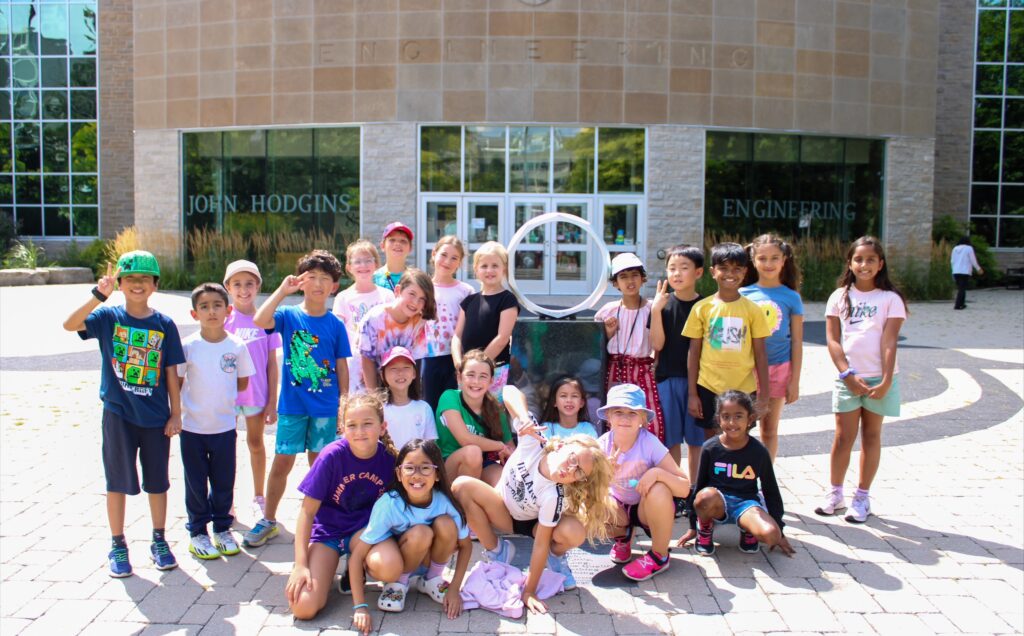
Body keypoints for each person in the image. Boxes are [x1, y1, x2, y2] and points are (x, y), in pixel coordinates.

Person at [62, 251, 185, 577]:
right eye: (130, 279)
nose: (137, 284)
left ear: (155, 285)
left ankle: (159, 540)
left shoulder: (164, 324)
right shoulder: (108, 318)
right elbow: (70, 324)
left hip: (157, 418)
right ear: (119, 284)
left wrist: (176, 413)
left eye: (145, 279)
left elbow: (172, 371)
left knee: (158, 482)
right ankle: (117, 543)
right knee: (117, 481)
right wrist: (97, 296)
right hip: (118, 415)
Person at [453, 385, 614, 614]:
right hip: (503, 505)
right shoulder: (534, 441)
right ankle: (498, 550)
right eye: (573, 459)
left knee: (574, 531)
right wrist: (521, 416)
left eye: (579, 472)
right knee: (461, 486)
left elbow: (538, 545)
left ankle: (556, 557)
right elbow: (508, 390)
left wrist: (529, 591)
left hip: (533, 523)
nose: (571, 469)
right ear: (562, 446)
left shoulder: (554, 495)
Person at [247, 250, 352, 547]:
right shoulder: (289, 316)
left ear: (334, 286)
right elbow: (259, 319)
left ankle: (321, 520)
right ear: (302, 281)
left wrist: (344, 403)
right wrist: (282, 290)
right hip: (293, 408)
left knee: (319, 465)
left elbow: (342, 365)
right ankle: (268, 518)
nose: (318, 284)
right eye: (312, 277)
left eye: (325, 279)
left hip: (326, 409)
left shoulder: (335, 324)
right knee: (282, 462)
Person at [817, 236, 907, 523]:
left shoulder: (890, 299)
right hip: (847, 379)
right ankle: (835, 494)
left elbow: (890, 341)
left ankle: (862, 497)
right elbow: (832, 340)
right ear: (850, 263)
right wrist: (847, 374)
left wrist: (886, 381)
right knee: (843, 437)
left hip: (879, 379)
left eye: (870, 259)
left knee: (871, 436)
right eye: (858, 259)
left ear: (880, 264)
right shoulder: (839, 296)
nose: (864, 264)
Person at [285, 392, 397, 621]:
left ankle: (357, 566)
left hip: (364, 532)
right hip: (329, 532)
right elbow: (307, 513)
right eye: (352, 425)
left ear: (382, 427)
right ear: (341, 428)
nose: (360, 431)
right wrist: (300, 565)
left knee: (390, 568)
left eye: (368, 424)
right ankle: (328, 568)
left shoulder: (389, 459)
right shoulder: (331, 457)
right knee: (304, 608)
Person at [348, 440, 473, 633]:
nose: (416, 475)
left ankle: (432, 579)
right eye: (409, 468)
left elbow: (466, 546)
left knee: (446, 525)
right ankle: (398, 584)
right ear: (399, 473)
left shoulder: (445, 502)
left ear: (437, 474)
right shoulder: (389, 504)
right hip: (396, 558)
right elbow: (357, 555)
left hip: (426, 557)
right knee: (421, 533)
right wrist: (360, 607)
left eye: (425, 468)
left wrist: (455, 588)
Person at [176, 283, 256, 559]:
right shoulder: (187, 347)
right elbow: (176, 382)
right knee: (195, 482)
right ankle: (198, 532)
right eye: (204, 306)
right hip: (192, 429)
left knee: (223, 481)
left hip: (224, 428)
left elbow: (243, 381)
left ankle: (222, 527)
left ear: (228, 310)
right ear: (194, 313)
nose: (211, 311)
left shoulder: (236, 346)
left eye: (217, 305)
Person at [676, 391, 795, 557]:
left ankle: (747, 530)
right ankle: (705, 528)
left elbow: (771, 490)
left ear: (750, 419)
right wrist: (691, 525)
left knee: (771, 535)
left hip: (745, 503)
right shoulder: (710, 448)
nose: (732, 422)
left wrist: (780, 531)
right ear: (718, 419)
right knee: (705, 496)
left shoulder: (759, 451)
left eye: (739, 416)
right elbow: (699, 485)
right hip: (717, 502)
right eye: (726, 416)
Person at [600, 384, 690, 581]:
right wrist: (601, 473)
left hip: (645, 509)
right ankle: (622, 537)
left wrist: (657, 473)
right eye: (618, 412)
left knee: (659, 489)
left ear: (642, 419)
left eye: (632, 412)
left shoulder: (649, 443)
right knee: (592, 505)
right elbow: (585, 487)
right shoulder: (602, 444)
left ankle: (659, 555)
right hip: (618, 508)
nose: (624, 418)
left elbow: (684, 488)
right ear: (608, 417)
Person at [683, 242, 771, 435]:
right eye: (723, 268)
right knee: (711, 441)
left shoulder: (753, 310)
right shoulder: (701, 308)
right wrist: (692, 393)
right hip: (708, 386)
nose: (730, 274)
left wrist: (764, 396)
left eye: (736, 269)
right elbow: (694, 352)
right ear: (713, 272)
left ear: (745, 272)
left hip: (743, 388)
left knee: (739, 440)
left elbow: (761, 354)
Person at [223, 260, 282, 518]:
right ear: (228, 287)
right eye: (237, 284)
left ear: (258, 286)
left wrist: (272, 401)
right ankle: (226, 500)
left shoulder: (265, 320)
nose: (243, 289)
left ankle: (259, 497)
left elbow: (272, 364)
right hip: (226, 397)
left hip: (256, 396)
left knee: (256, 443)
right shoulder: (224, 319)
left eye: (249, 284)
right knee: (226, 447)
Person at [739, 234, 804, 461]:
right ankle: (741, 479)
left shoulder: (792, 297)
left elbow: (796, 341)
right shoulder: (742, 295)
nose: (768, 264)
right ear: (753, 260)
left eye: (774, 258)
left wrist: (794, 380)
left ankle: (765, 482)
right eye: (762, 258)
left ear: (784, 259)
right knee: (740, 429)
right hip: (746, 370)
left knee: (769, 430)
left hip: (779, 369)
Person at [649, 244, 704, 507]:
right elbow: (657, 345)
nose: (677, 274)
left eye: (684, 268)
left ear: (699, 272)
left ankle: (695, 489)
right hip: (667, 379)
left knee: (696, 440)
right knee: (671, 439)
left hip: (699, 382)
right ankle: (676, 489)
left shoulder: (706, 306)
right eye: (672, 268)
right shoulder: (664, 305)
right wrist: (656, 310)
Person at [594, 253, 664, 442]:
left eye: (634, 275)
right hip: (614, 371)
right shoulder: (607, 310)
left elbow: (658, 343)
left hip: (642, 370)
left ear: (643, 278)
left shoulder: (652, 308)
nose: (629, 281)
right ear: (615, 283)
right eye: (623, 277)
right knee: (614, 418)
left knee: (647, 418)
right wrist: (608, 333)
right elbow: (596, 347)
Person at [435, 350, 514, 485]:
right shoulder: (449, 397)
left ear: (491, 381)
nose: (476, 381)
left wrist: (508, 453)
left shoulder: (495, 408)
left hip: (484, 463)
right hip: (449, 464)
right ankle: (459, 503)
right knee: (473, 452)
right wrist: (499, 446)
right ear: (459, 377)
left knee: (505, 483)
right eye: (470, 375)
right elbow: (465, 440)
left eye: (483, 376)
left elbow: (510, 447)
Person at [452, 242, 520, 397]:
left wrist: (481, 366)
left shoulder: (507, 300)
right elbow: (457, 335)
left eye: (495, 265)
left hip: (494, 369)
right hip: (467, 371)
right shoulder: (469, 301)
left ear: (504, 269)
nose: (489, 270)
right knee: (468, 412)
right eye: (484, 266)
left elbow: (502, 338)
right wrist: (459, 364)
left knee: (492, 413)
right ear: (476, 270)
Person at [333, 239, 394, 394]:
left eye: (368, 260)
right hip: (353, 363)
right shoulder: (343, 297)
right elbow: (337, 334)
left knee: (381, 402)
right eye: (357, 261)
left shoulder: (387, 295)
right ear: (349, 267)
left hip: (382, 358)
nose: (363, 265)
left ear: (376, 264)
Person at [359, 268, 436, 390]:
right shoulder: (375, 317)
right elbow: (367, 360)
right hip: (368, 387)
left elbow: (416, 363)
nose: (415, 302)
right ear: (398, 290)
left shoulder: (420, 324)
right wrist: (374, 397)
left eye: (422, 299)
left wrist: (414, 398)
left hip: (400, 390)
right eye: (412, 294)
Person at [422, 236, 474, 411]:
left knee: (452, 407)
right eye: (443, 255)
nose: (447, 261)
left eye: (454, 258)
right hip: (427, 357)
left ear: (459, 263)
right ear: (434, 254)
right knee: (430, 404)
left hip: (455, 358)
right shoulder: (423, 286)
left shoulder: (466, 291)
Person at [380, 346, 438, 451]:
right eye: (393, 368)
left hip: (416, 466)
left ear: (414, 373)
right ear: (383, 375)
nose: (400, 373)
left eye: (406, 368)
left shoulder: (424, 408)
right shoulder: (379, 410)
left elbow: (431, 447)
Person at [374, 222, 414, 292]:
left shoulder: (416, 278)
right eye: (392, 240)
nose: (397, 244)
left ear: (410, 248)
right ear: (382, 246)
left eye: (403, 241)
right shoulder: (374, 278)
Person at [951, 236, 983, 310]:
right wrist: (978, 268)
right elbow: (973, 260)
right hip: (965, 271)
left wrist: (952, 270)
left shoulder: (955, 249)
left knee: (961, 288)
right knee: (962, 288)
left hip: (956, 271)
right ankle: (957, 305)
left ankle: (962, 303)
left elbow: (952, 261)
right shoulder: (969, 248)